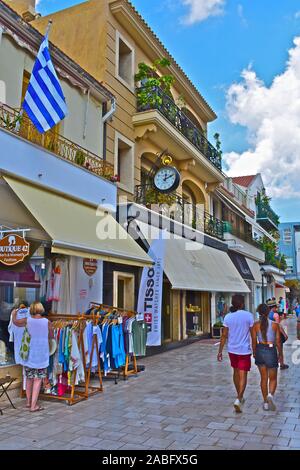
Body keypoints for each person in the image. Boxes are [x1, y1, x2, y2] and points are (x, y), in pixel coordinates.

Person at [12, 301, 53, 412]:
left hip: (29, 355)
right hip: (41, 355)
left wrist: (14, 314)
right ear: (41, 309)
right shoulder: (47, 322)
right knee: (38, 379)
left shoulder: (27, 320)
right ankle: (33, 406)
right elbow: (51, 336)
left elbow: (15, 322)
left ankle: (28, 402)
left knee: (29, 378)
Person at [217, 295, 254, 413]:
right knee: (243, 374)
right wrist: (255, 349)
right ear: (242, 304)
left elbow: (224, 335)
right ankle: (239, 398)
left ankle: (240, 396)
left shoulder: (228, 317)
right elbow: (253, 335)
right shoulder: (249, 316)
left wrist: (220, 351)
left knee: (236, 372)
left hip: (232, 350)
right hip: (244, 350)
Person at [251, 304, 283, 411]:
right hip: (271, 350)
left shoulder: (255, 325)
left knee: (263, 378)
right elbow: (278, 341)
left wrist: (255, 353)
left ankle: (265, 402)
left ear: (258, 312)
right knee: (273, 378)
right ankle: (270, 395)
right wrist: (280, 353)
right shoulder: (275, 325)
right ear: (269, 311)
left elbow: (254, 342)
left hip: (260, 349)